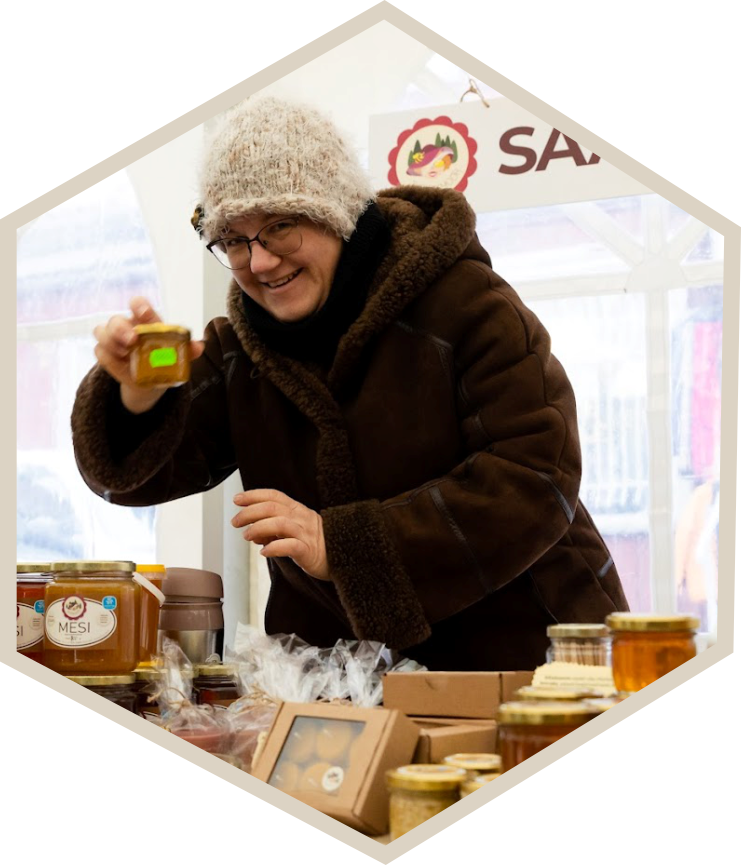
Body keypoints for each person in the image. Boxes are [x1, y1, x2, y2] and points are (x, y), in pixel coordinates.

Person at [71, 97, 629, 671]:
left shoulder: (469, 305)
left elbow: (535, 475)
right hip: (342, 687)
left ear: (337, 212)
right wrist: (136, 400)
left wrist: (339, 547)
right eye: (233, 240)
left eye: (279, 227)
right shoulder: (238, 350)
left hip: (532, 660)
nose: (259, 262)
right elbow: (128, 480)